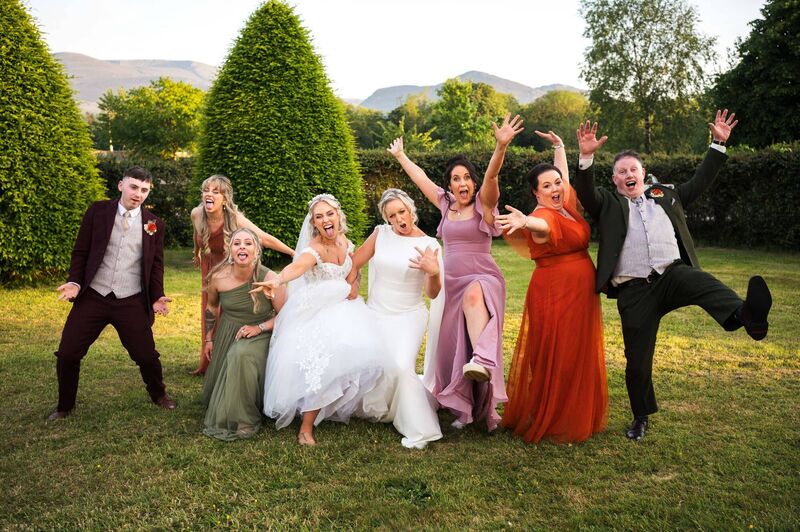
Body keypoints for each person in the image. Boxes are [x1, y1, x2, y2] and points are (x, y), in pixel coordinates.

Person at [573, 110, 772, 441]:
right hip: (634, 291)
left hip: (671, 274)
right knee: (637, 362)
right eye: (621, 172)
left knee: (702, 282)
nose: (628, 174)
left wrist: (718, 144)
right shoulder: (607, 204)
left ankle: (745, 315)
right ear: (616, 180)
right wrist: (586, 156)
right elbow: (585, 191)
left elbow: (700, 181)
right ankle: (641, 416)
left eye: (633, 169)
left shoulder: (667, 196)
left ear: (643, 173)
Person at [386, 113, 523, 431]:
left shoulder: (484, 205)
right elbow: (421, 180)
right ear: (449, 185)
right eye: (455, 179)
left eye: (466, 178)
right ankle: (465, 408)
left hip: (482, 275)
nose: (462, 183)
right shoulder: (446, 205)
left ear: (473, 182)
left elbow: (492, 178)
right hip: (450, 282)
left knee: (475, 301)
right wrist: (401, 155)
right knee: (456, 345)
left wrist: (500, 146)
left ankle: (484, 361)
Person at [251, 194, 391, 446]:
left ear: (338, 215)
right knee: (323, 362)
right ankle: (305, 428)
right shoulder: (313, 249)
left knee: (352, 354)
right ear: (314, 224)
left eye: (329, 214)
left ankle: (336, 406)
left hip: (345, 308)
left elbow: (354, 267)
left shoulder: (345, 241)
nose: (326, 219)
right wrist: (278, 280)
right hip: (317, 311)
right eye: (319, 217)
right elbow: (297, 268)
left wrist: (353, 283)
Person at [497, 130, 608, 444]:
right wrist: (526, 222)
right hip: (554, 293)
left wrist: (560, 146)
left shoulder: (566, 205)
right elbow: (542, 226)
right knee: (558, 353)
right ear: (536, 194)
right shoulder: (544, 214)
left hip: (581, 294)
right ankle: (556, 415)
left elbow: (565, 177)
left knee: (576, 352)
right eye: (546, 186)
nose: (555, 188)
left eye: (556, 183)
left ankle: (573, 408)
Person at [48, 166, 176, 422]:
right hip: (94, 295)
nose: (138, 194)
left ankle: (159, 394)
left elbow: (156, 265)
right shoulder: (98, 211)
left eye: (144, 190)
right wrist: (75, 281)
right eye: (133, 187)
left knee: (147, 356)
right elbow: (81, 251)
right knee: (68, 353)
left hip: (130, 299)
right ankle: (64, 406)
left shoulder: (154, 224)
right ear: (121, 186)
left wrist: (156, 296)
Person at [345, 188, 444, 449]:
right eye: (392, 215)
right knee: (371, 362)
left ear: (411, 210)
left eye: (402, 212)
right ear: (386, 218)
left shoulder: (429, 245)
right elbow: (355, 262)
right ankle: (381, 406)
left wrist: (433, 273)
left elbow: (432, 293)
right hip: (376, 312)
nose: (399, 218)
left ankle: (418, 427)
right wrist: (353, 284)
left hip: (409, 315)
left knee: (401, 366)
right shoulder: (381, 234)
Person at [190, 175, 293, 376]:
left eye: (216, 191)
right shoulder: (196, 213)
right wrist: (196, 254)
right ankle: (209, 359)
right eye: (206, 190)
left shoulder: (235, 218)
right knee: (210, 309)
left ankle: (234, 355)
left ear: (225, 199)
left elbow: (263, 238)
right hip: (209, 266)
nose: (209, 194)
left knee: (231, 312)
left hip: (233, 267)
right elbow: (197, 235)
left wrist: (293, 253)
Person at [201, 228, 286, 441]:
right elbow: (211, 308)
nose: (242, 247)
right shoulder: (218, 277)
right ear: (230, 249)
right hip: (229, 331)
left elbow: (286, 316)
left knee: (241, 354)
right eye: (237, 243)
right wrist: (209, 338)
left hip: (263, 331)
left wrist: (259, 328)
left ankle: (245, 418)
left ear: (256, 250)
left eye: (248, 243)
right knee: (218, 390)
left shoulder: (268, 277)